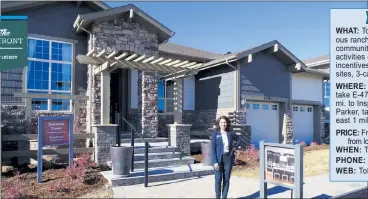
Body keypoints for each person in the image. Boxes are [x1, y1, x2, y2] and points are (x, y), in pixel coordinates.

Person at [211, 115, 240, 199]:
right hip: (218, 159)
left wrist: (234, 147)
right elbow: (212, 148)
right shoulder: (215, 134)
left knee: (226, 179)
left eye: (225, 122)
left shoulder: (230, 133)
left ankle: (224, 197)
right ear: (219, 124)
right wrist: (214, 161)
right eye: (222, 122)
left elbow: (239, 140)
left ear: (227, 123)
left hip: (228, 158)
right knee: (218, 179)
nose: (223, 124)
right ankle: (218, 197)